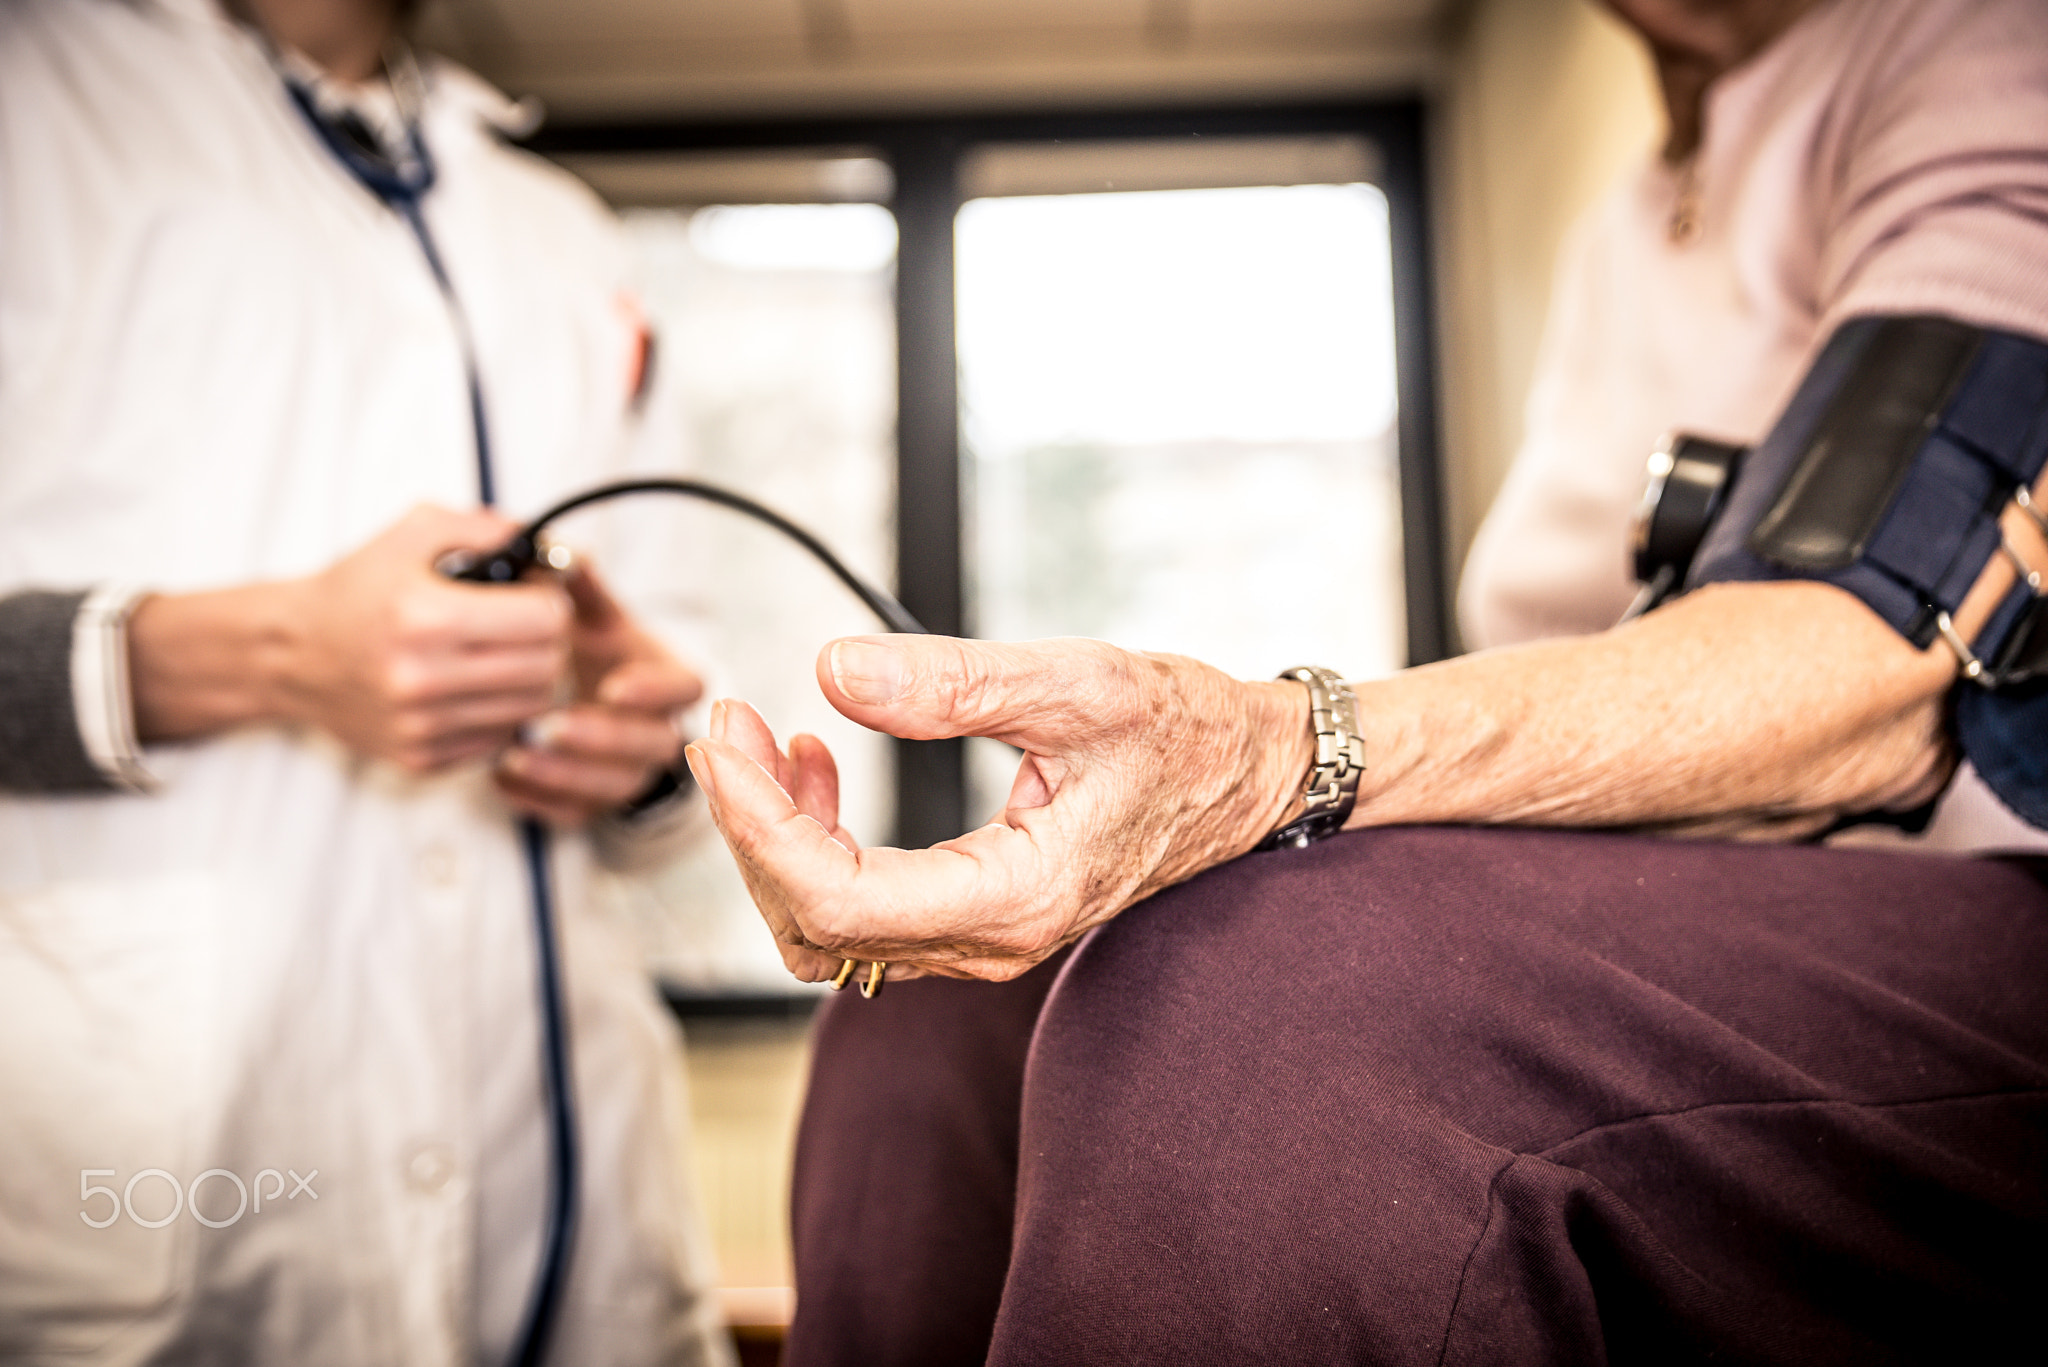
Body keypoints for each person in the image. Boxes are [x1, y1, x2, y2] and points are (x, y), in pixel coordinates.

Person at [680, 0, 2048, 1360]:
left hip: (1978, 909)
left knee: (1278, 995)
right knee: (931, 1008)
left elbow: (1875, 669)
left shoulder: (1984, 57)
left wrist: (1273, 757)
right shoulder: (1631, 223)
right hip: (1686, 881)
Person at [0, 0, 730, 1362]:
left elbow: (674, 658)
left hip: (569, 1176)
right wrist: (273, 652)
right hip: (145, 1184)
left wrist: (635, 749)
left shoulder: (557, 224)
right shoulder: (30, 106)